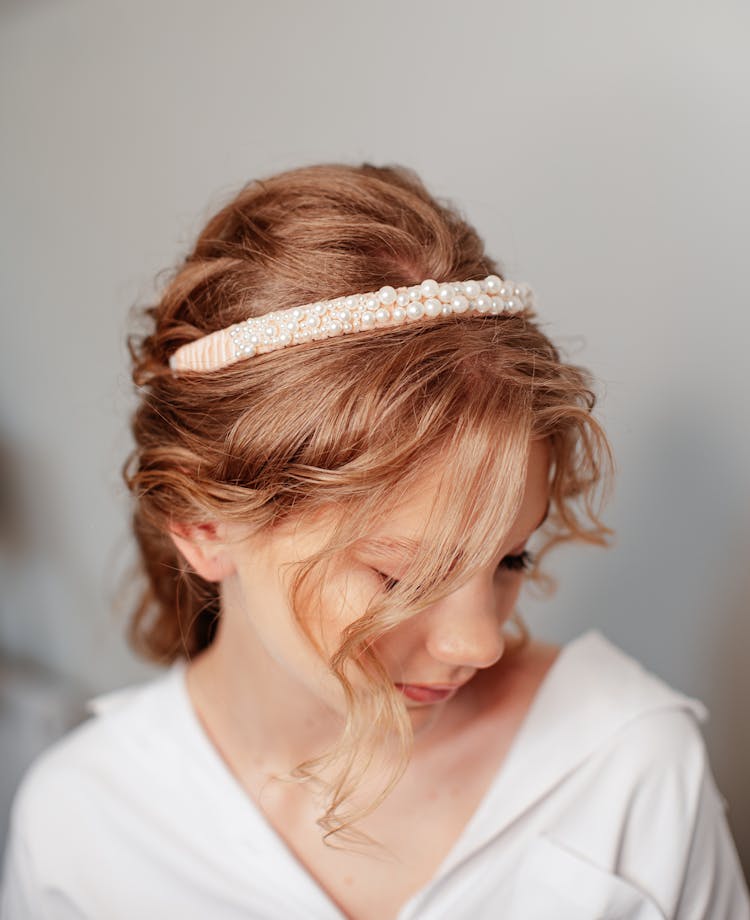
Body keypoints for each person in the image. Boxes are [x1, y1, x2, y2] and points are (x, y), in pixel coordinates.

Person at [0, 162, 748, 920]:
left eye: (510, 558)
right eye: (402, 578)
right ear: (203, 528)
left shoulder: (625, 769)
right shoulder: (81, 825)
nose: (480, 643)